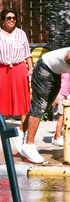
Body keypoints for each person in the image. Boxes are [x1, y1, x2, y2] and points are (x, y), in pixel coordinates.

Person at [0, 9, 33, 152]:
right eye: (8, 18)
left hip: (19, 69)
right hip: (2, 69)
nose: (12, 20)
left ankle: (21, 130)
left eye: (14, 18)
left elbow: (27, 54)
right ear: (2, 19)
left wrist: (31, 69)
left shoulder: (21, 34)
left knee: (23, 100)